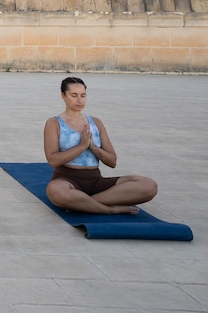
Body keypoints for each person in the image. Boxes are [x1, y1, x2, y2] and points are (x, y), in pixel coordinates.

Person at [43, 76, 158, 214]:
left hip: (96, 180)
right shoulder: (54, 123)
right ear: (63, 96)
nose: (79, 100)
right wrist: (81, 146)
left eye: (83, 95)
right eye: (74, 95)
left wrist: (93, 147)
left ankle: (84, 203)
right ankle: (109, 209)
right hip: (67, 180)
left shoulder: (96, 123)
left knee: (149, 186)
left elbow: (112, 161)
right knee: (55, 191)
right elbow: (53, 160)